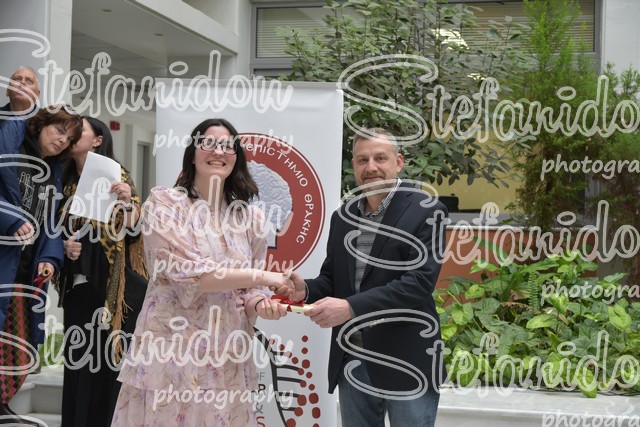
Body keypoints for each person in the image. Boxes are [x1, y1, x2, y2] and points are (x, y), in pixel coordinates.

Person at [111, 118, 294, 427]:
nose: (218, 151)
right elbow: (190, 274)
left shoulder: (250, 218)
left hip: (227, 355)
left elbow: (250, 293)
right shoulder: (166, 204)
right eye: (209, 143)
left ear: (236, 157)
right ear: (193, 154)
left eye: (227, 146)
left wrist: (263, 304)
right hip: (172, 350)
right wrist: (263, 278)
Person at [290, 128, 448, 427]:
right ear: (354, 165)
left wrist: (351, 307)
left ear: (398, 162)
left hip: (406, 360)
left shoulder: (427, 211)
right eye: (362, 160)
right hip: (353, 358)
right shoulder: (343, 217)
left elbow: (419, 283)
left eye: (380, 158)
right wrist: (305, 290)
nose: (370, 167)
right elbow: (333, 279)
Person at [56, 117, 149, 427]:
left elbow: (134, 229)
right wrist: (64, 246)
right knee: (79, 366)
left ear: (97, 140)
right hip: (79, 286)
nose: (72, 134)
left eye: (79, 129)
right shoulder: (64, 179)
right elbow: (55, 230)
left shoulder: (116, 175)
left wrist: (126, 201)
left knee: (111, 368)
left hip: (116, 291)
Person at [0, 106, 82, 423]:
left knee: (18, 344)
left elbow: (51, 223)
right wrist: (11, 219)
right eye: (59, 130)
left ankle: (3, 401)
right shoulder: (12, 151)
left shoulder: (53, 170)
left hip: (26, 271)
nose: (62, 140)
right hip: (4, 261)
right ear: (41, 125)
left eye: (69, 138)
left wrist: (49, 257)